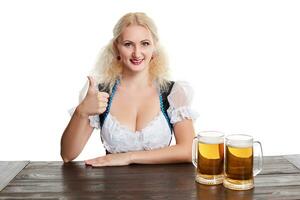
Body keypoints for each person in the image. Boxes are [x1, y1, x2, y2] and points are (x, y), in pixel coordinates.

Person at [60, 12, 198, 167]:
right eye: (128, 44)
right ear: (116, 47)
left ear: (154, 48)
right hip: (113, 189)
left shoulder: (172, 92)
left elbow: (188, 150)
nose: (137, 53)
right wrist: (81, 112)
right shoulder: (100, 92)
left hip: (161, 189)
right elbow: (67, 155)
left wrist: (129, 157)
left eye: (145, 43)